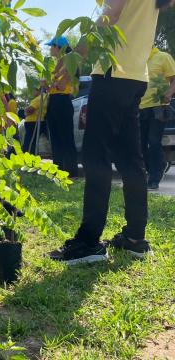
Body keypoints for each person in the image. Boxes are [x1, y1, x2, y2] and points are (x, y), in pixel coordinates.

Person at [49, 0, 175, 265]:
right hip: (136, 78)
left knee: (97, 156)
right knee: (131, 158)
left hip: (112, 73)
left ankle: (89, 242)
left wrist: (76, 55)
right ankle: (135, 238)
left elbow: (111, 14)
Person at [139, 47, 175, 190]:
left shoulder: (163, 57)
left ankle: (154, 178)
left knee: (154, 142)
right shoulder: (138, 59)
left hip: (158, 106)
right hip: (140, 107)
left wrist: (169, 93)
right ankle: (157, 166)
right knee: (140, 144)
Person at [45, 36, 79, 178]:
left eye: (52, 46)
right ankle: (57, 171)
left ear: (59, 47)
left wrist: (49, 82)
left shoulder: (70, 62)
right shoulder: (57, 63)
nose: (50, 49)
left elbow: (61, 85)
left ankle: (71, 172)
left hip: (63, 100)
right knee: (55, 138)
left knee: (66, 137)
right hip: (53, 101)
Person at [23, 88, 48, 154]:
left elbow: (29, 110)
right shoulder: (45, 97)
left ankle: (27, 157)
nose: (32, 92)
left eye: (33, 90)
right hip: (38, 121)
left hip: (33, 122)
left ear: (38, 90)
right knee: (33, 142)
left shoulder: (39, 98)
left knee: (29, 143)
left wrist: (26, 110)